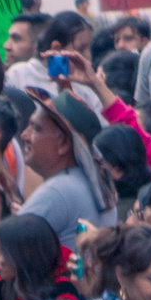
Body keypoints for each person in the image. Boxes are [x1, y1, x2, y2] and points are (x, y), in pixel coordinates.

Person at [16, 92, 114, 235]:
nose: (24, 135)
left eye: (36, 128)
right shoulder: (82, 181)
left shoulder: (58, 190)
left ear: (64, 143)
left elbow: (6, 243)